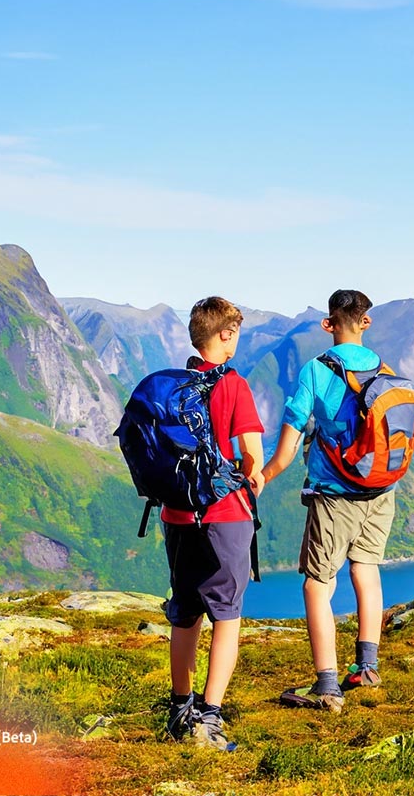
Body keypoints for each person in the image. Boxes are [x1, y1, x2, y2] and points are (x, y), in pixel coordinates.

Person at [262, 289, 394, 715]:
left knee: (318, 584)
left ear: (328, 323)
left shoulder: (316, 372)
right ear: (366, 322)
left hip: (335, 496)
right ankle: (368, 669)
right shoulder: (385, 371)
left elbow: (286, 449)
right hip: (381, 490)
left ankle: (327, 687)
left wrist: (260, 478)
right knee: (366, 570)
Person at [162, 296, 266, 750]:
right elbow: (253, 457)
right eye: (236, 333)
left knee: (184, 612)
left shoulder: (173, 385)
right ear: (225, 335)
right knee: (226, 616)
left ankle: (178, 710)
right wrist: (253, 479)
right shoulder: (234, 386)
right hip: (225, 515)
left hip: (178, 513)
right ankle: (210, 717)